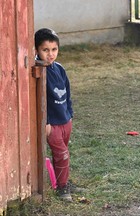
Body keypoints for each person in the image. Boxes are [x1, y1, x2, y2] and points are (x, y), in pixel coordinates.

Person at [34, 28, 74, 202]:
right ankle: (63, 188)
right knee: (62, 154)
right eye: (45, 50)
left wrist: (70, 114)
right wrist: (46, 121)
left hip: (65, 120)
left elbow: (68, 93)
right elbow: (40, 100)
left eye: (54, 50)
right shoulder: (39, 71)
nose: (50, 54)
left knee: (63, 154)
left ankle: (62, 181)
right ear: (36, 50)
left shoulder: (60, 69)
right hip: (52, 124)